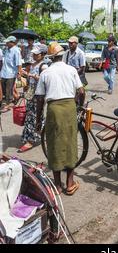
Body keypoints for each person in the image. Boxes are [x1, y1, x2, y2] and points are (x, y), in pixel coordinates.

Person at [35, 42, 85, 195]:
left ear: (50, 57)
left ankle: (57, 186)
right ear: (62, 55)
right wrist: (79, 107)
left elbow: (39, 99)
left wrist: (38, 119)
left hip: (54, 109)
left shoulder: (45, 73)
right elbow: (81, 92)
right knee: (70, 142)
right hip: (69, 107)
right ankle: (70, 184)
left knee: (54, 143)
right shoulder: (71, 70)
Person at [18, 44, 48, 152]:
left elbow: (45, 79)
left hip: (39, 95)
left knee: (34, 116)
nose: (34, 55)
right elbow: (29, 78)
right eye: (34, 54)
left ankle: (30, 140)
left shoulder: (44, 66)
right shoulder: (33, 64)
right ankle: (43, 134)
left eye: (37, 54)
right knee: (32, 115)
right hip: (31, 93)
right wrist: (25, 75)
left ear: (43, 54)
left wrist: (31, 75)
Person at [0, 36, 22, 111]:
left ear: (12, 42)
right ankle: (16, 97)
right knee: (3, 89)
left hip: (11, 74)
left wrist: (19, 73)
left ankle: (7, 105)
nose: (6, 43)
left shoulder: (16, 50)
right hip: (4, 73)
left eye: (8, 42)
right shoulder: (6, 49)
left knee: (8, 90)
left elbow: (19, 63)